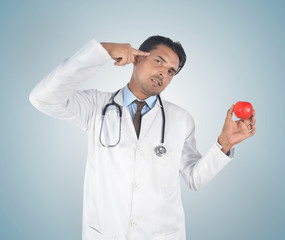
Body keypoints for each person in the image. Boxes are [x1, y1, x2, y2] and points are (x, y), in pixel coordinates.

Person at [29, 35, 256, 240]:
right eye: (159, 61)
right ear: (137, 58)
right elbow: (43, 97)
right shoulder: (96, 106)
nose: (163, 73)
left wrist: (224, 143)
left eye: (171, 72)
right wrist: (103, 51)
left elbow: (194, 179)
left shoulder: (181, 119)